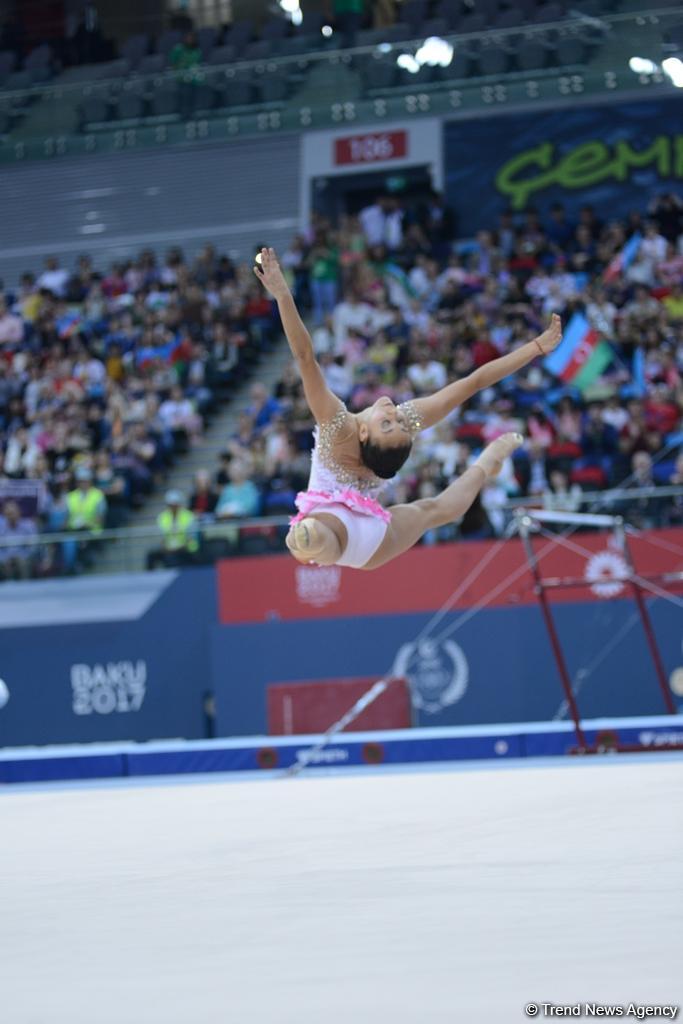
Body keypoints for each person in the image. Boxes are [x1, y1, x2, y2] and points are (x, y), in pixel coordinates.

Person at [254, 247, 564, 571]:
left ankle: (306, 539)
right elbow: (473, 383)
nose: (395, 414)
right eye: (400, 421)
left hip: (334, 523)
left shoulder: (339, 428)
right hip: (371, 542)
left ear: (363, 432)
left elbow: (305, 357)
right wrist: (534, 348)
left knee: (315, 538)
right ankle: (486, 463)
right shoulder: (407, 420)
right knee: (436, 510)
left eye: (388, 424)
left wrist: (282, 295)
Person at [147, 490, 199, 569]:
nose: (173, 507)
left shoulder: (189, 516)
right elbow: (161, 537)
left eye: (175, 505)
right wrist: (165, 547)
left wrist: (177, 548)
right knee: (152, 554)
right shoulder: (162, 517)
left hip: (186, 549)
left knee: (172, 558)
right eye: (171, 505)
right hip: (168, 549)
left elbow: (191, 538)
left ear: (179, 504)